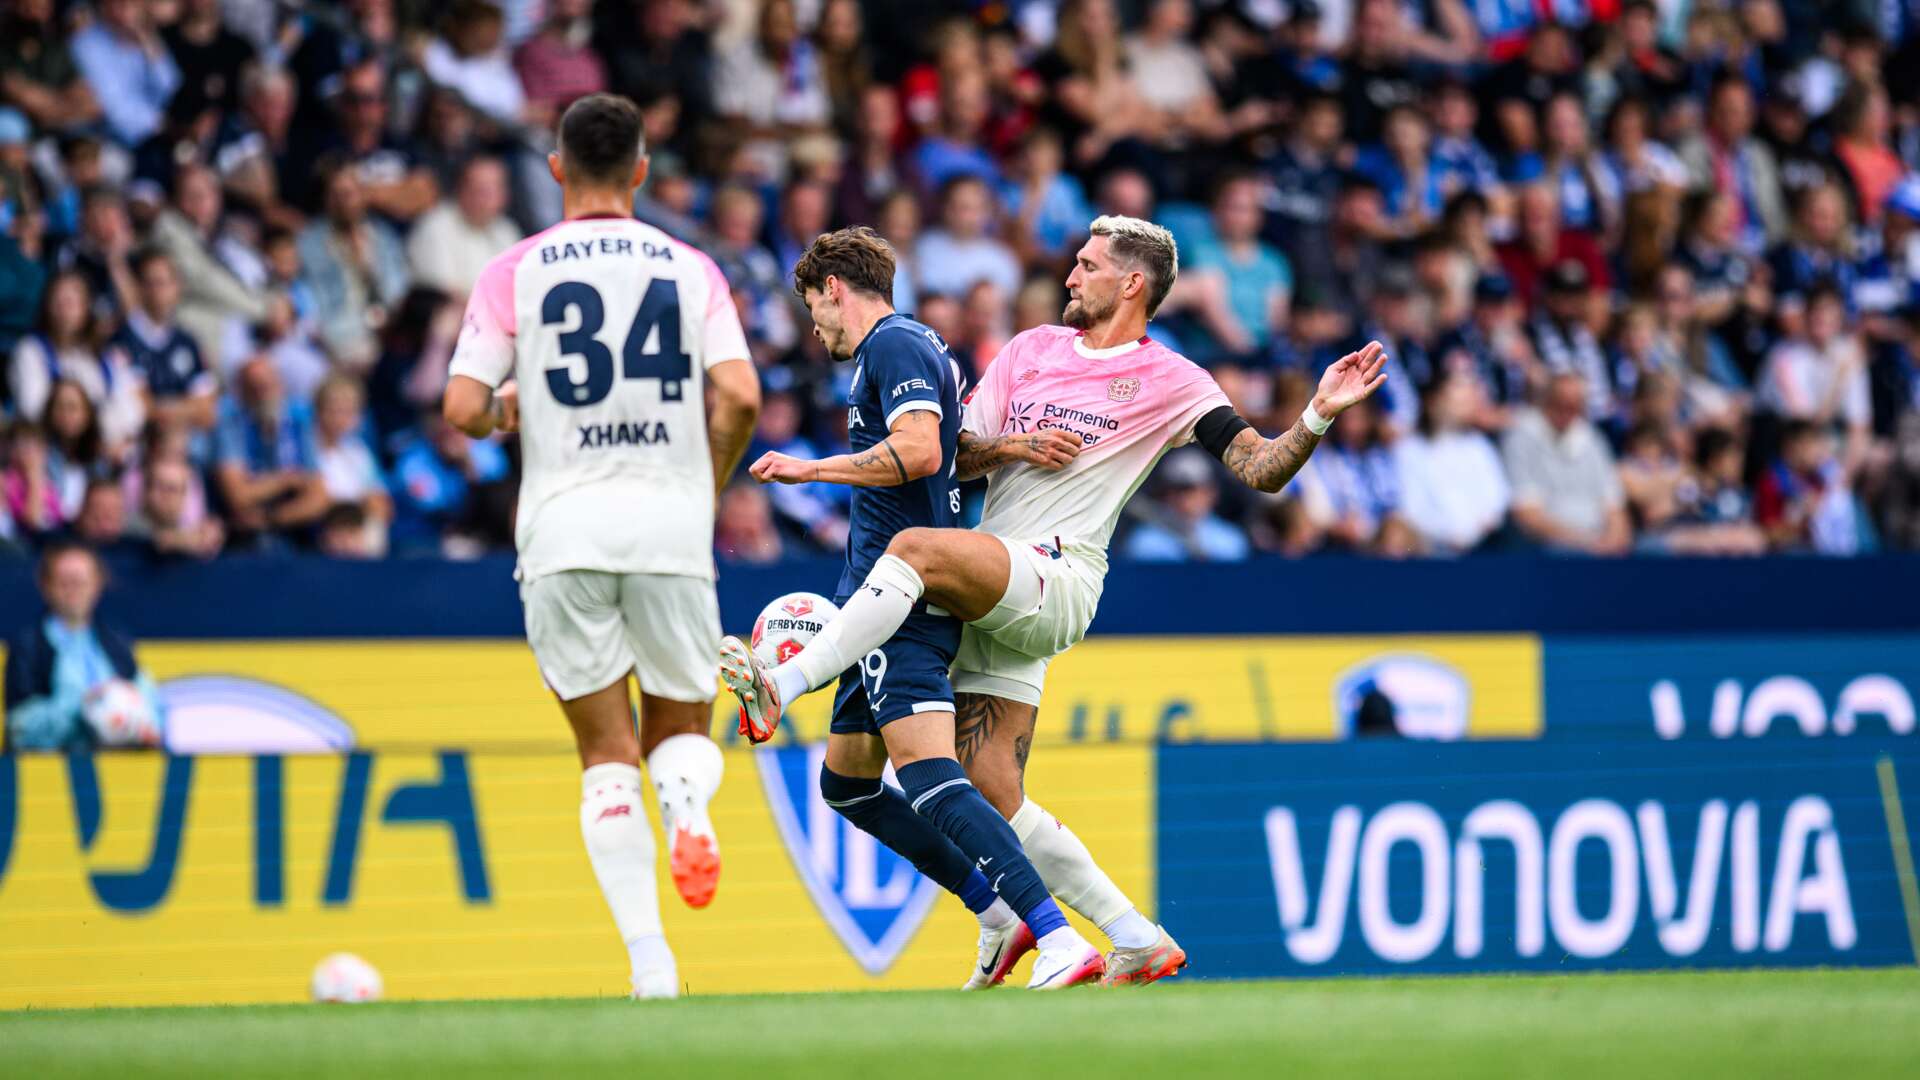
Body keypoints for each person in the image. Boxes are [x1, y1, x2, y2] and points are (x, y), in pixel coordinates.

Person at [725, 215, 1388, 985]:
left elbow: (1260, 468)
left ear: (1131, 283)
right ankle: (1134, 934)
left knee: (909, 553)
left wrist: (1317, 414)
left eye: (1086, 264)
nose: (1069, 275)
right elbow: (953, 456)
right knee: (991, 795)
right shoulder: (1031, 350)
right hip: (994, 583)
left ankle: (786, 683)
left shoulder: (1174, 379)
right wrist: (1016, 446)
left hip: (1057, 574)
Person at [718, 226, 1103, 991]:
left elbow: (921, 452)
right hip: (872, 591)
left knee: (930, 775)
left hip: (908, 596)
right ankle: (999, 918)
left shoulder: (890, 344)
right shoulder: (917, 343)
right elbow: (953, 453)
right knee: (849, 783)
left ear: (833, 288)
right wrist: (1017, 447)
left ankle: (1058, 937)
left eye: (813, 308)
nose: (815, 328)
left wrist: (812, 468)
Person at [440, 94, 762, 999]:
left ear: (554, 169)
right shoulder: (689, 267)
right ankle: (689, 805)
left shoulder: (515, 269)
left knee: (605, 753)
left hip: (562, 527)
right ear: (643, 170)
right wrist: (705, 481)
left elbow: (462, 408)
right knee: (679, 732)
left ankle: (651, 969)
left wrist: (511, 411)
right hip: (667, 521)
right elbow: (737, 395)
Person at [4, 542, 164, 751]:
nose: (73, 591)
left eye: (80, 582)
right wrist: (84, 709)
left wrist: (140, 723)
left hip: (119, 769)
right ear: (45, 586)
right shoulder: (29, 646)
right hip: (54, 772)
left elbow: (151, 706)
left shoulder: (116, 641)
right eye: (64, 582)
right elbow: (18, 728)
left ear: (97, 585)